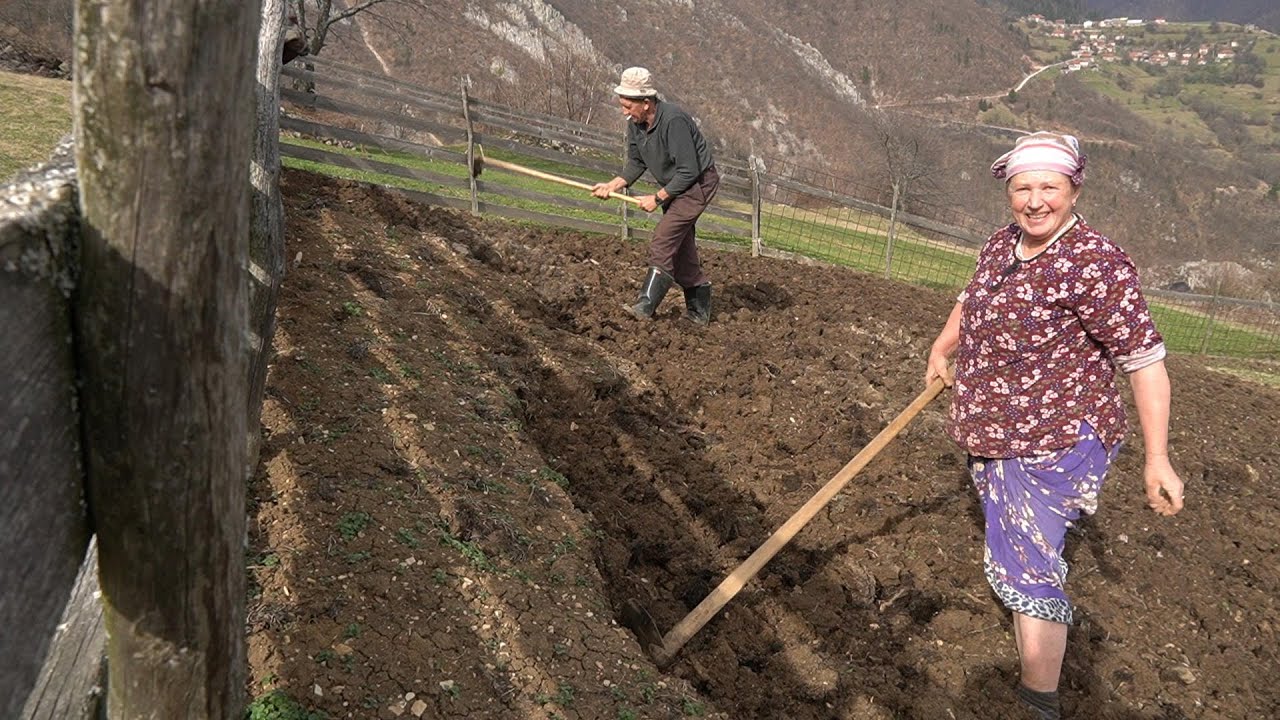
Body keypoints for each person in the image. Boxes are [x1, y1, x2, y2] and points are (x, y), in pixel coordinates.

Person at [923, 132, 1184, 719]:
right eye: (1023, 187)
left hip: (1058, 439)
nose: (1035, 200)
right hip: (994, 429)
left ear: (1073, 189)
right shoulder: (1000, 245)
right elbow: (974, 298)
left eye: (1049, 187)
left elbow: (1144, 361)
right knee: (1015, 540)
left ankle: (1038, 703)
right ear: (1007, 191)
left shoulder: (1096, 263)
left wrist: (1157, 457)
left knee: (1029, 558)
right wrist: (944, 346)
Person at [590, 67, 720, 325]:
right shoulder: (635, 125)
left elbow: (689, 170)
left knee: (663, 239)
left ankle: (645, 306)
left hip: (696, 184)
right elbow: (636, 163)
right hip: (675, 185)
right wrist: (612, 185)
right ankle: (698, 312)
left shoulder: (673, 121)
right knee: (680, 247)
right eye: (622, 105)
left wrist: (658, 197)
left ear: (646, 103)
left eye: (628, 106)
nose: (624, 111)